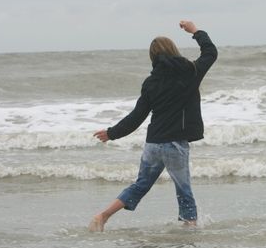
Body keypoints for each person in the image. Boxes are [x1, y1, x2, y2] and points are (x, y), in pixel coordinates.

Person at [88, 20, 217, 232]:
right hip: (175, 144)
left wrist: (112, 133)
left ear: (153, 57)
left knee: (140, 186)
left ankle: (102, 216)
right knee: (184, 189)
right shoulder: (191, 72)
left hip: (154, 144)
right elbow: (210, 52)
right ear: (174, 50)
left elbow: (137, 116)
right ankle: (190, 232)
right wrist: (195, 31)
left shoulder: (151, 82)